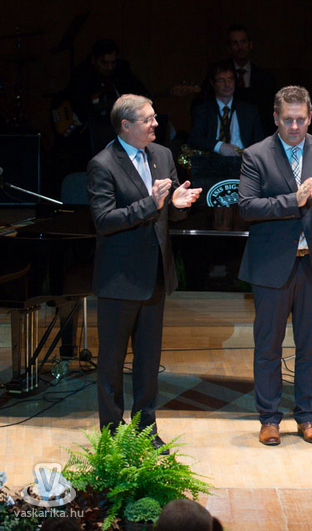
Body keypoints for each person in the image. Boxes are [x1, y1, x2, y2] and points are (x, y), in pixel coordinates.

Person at [87, 94, 201, 451]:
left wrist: (178, 205)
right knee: (111, 363)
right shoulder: (102, 164)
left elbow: (170, 212)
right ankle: (111, 436)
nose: (156, 123)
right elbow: (104, 221)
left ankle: (145, 429)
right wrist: (151, 203)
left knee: (149, 361)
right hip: (119, 279)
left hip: (155, 276)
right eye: (148, 119)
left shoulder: (162, 155)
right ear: (126, 125)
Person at [238, 86, 312, 446]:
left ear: (310, 117)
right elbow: (247, 207)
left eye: (301, 119)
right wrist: (294, 199)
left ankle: (307, 417)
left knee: (310, 346)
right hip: (272, 266)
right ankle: (269, 419)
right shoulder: (256, 154)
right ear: (276, 118)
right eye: (288, 120)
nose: (295, 126)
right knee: (268, 347)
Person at [188, 61, 264, 156]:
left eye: (230, 79)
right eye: (221, 80)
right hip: (212, 161)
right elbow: (194, 139)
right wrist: (219, 146)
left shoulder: (250, 111)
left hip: (243, 160)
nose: (227, 84)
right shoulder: (202, 110)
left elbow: (260, 142)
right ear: (212, 83)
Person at [225, 24, 278, 134]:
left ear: (250, 45)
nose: (240, 47)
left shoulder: (266, 78)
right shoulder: (219, 76)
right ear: (229, 48)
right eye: (235, 43)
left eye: (243, 42)